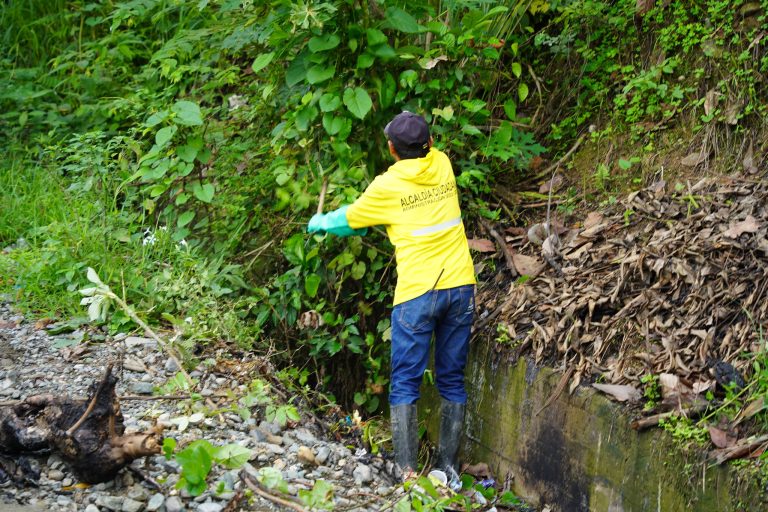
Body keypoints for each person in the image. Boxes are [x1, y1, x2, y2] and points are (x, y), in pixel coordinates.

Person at [308, 111, 476, 480]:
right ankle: (448, 468)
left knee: (404, 381)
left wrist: (320, 222)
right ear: (429, 143)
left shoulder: (387, 186)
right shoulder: (444, 164)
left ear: (391, 149)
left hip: (418, 293)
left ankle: (407, 472)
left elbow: (349, 220)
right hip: (461, 286)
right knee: (451, 379)